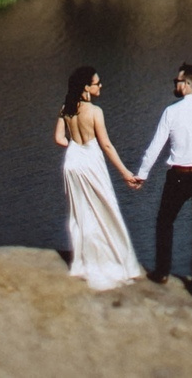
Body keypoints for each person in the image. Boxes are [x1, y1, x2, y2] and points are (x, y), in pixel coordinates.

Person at [133, 61, 192, 295]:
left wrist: (142, 174)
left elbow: (155, 146)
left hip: (179, 176)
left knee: (165, 221)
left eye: (177, 81)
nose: (175, 84)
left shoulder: (171, 112)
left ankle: (162, 272)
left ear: (185, 85)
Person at [54, 65, 143, 289]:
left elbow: (58, 138)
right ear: (86, 87)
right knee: (106, 209)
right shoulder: (95, 112)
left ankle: (85, 262)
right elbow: (106, 145)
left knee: (81, 213)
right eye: (97, 83)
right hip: (91, 162)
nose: (100, 85)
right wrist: (125, 173)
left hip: (73, 162)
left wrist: (74, 148)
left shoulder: (65, 108)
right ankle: (113, 262)